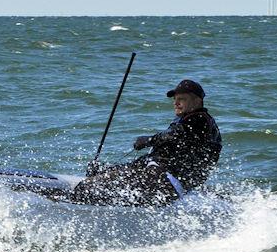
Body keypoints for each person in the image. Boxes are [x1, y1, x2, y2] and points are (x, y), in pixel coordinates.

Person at [70, 79, 222, 206]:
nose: (176, 103)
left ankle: (70, 201)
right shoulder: (187, 121)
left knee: (92, 189)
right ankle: (91, 186)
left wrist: (149, 140)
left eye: (182, 99)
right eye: (175, 99)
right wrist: (106, 169)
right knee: (106, 176)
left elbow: (174, 136)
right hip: (160, 177)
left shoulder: (201, 119)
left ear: (197, 101)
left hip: (166, 183)